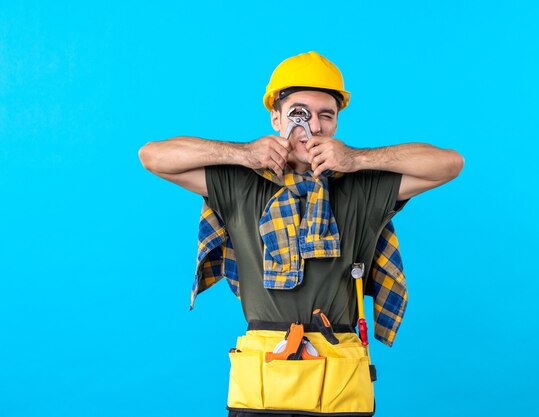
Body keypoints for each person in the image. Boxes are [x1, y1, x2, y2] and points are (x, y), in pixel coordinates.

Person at [139, 51, 463, 417]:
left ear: (336, 123)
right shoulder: (240, 183)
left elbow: (449, 164)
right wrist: (244, 153)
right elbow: (152, 156)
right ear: (276, 117)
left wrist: (357, 160)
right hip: (262, 386)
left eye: (326, 115)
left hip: (339, 385)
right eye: (299, 113)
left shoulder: (360, 186)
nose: (313, 125)